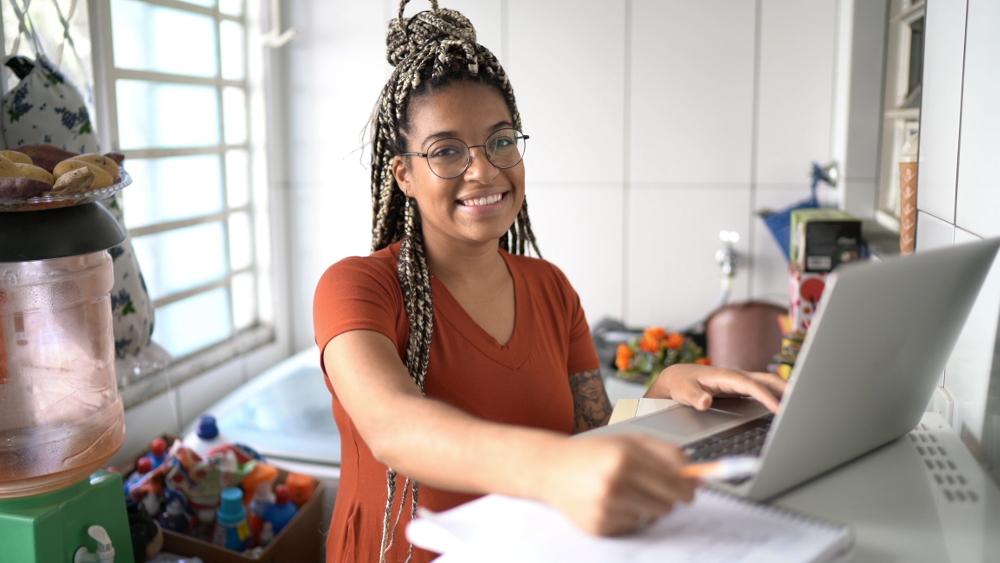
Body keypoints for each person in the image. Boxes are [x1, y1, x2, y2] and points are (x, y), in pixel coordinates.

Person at [313, 3, 788, 562]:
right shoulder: (358, 288)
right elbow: (394, 427)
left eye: (501, 141)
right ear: (405, 175)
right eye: (446, 152)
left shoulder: (551, 289)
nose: (484, 170)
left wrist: (664, 394)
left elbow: (589, 437)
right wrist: (553, 466)